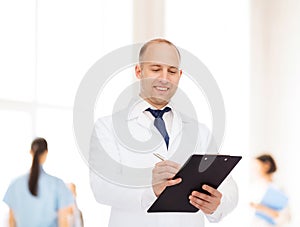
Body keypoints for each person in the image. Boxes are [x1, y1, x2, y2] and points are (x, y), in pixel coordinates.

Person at [89, 38, 238, 227]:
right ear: (139, 71)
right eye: (156, 69)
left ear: (180, 75)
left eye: (172, 71)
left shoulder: (200, 131)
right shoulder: (108, 127)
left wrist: (217, 204)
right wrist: (151, 190)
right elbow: (102, 189)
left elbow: (229, 187)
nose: (164, 78)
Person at [3, 137, 74, 227]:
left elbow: (11, 222)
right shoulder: (58, 184)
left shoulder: (15, 184)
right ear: (46, 153)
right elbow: (63, 222)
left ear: (30, 152)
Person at [250, 154, 291, 226]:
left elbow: (286, 217)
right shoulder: (254, 186)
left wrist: (262, 208)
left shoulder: (279, 188)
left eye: (257, 166)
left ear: (267, 165)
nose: (254, 170)